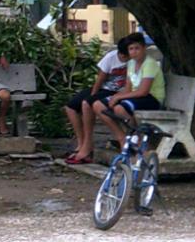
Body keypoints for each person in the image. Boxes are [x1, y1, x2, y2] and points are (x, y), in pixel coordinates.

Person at [91, 32, 165, 150]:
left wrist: (118, 97)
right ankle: (122, 138)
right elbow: (128, 88)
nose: (134, 51)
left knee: (119, 108)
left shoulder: (149, 64)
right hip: (136, 97)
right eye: (131, 49)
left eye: (137, 48)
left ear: (144, 48)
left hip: (152, 98)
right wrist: (117, 96)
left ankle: (136, 138)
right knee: (98, 105)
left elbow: (143, 91)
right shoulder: (130, 63)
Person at [63, 36, 131, 165]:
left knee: (87, 104)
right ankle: (81, 142)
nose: (124, 59)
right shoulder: (111, 58)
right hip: (104, 88)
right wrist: (93, 94)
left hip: (119, 92)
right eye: (122, 56)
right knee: (71, 106)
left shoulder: (133, 61)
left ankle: (87, 147)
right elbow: (100, 79)